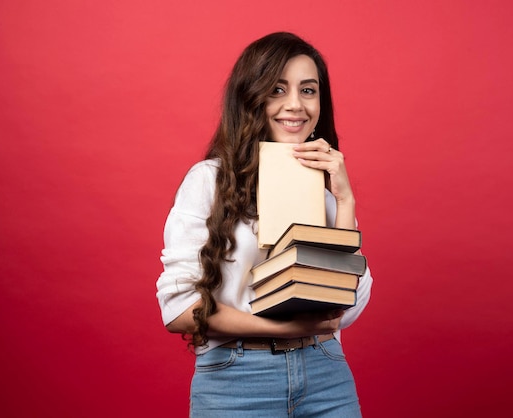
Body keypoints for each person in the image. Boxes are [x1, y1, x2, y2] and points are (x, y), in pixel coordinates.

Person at [156, 32, 373, 417]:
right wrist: (283, 330)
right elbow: (178, 310)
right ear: (250, 96)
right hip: (236, 381)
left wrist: (344, 200)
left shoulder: (325, 189)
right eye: (277, 89)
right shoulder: (209, 180)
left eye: (309, 90)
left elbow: (346, 305)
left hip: (326, 373)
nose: (295, 105)